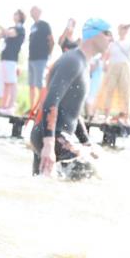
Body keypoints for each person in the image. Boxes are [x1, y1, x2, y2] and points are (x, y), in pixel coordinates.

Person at [30, 18, 113, 177]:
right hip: (52, 137)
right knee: (94, 175)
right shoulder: (72, 61)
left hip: (53, 136)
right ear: (93, 33)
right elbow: (51, 102)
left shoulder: (83, 64)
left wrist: (86, 142)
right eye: (108, 33)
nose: (112, 39)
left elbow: (72, 112)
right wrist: (49, 144)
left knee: (45, 191)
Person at [94, 23, 130, 124]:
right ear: (119, 30)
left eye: (126, 29)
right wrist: (104, 63)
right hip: (112, 66)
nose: (124, 30)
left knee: (125, 91)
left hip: (125, 67)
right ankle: (106, 116)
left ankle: (126, 117)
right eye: (123, 28)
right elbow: (106, 55)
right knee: (109, 90)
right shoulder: (113, 43)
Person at [0, 9, 26, 114]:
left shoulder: (20, 28)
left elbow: (8, 33)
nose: (14, 15)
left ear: (21, 17)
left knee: (12, 83)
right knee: (6, 83)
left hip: (12, 59)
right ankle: (4, 106)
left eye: (17, 14)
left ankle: (11, 106)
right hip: (5, 59)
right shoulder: (12, 28)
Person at [27, 6, 54, 108]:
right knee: (31, 84)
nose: (31, 12)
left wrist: (49, 55)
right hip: (31, 58)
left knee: (40, 84)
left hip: (41, 58)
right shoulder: (33, 26)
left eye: (34, 10)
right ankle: (32, 108)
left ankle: (41, 107)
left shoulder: (44, 25)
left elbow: (51, 40)